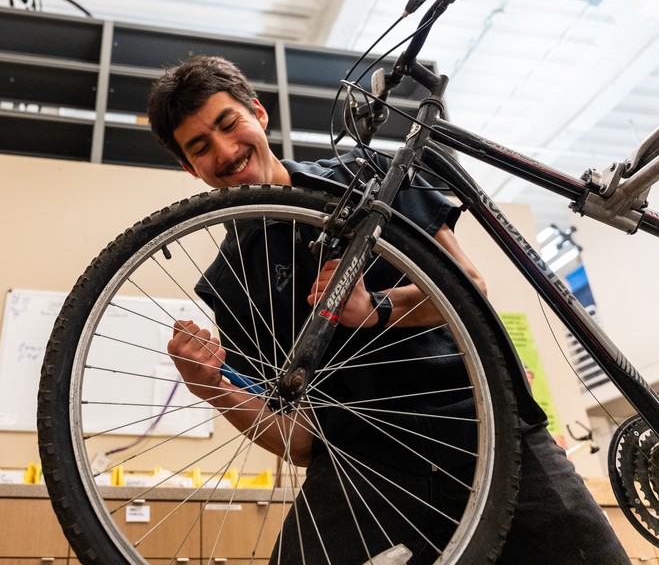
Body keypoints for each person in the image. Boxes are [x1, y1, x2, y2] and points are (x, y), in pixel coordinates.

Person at [146, 55, 627, 564]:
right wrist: (212, 389)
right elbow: (303, 441)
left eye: (228, 124)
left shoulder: (371, 174)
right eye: (200, 147)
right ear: (188, 166)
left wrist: (376, 308)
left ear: (258, 115)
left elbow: (470, 284)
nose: (224, 151)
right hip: (361, 466)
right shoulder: (229, 284)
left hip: (483, 426)